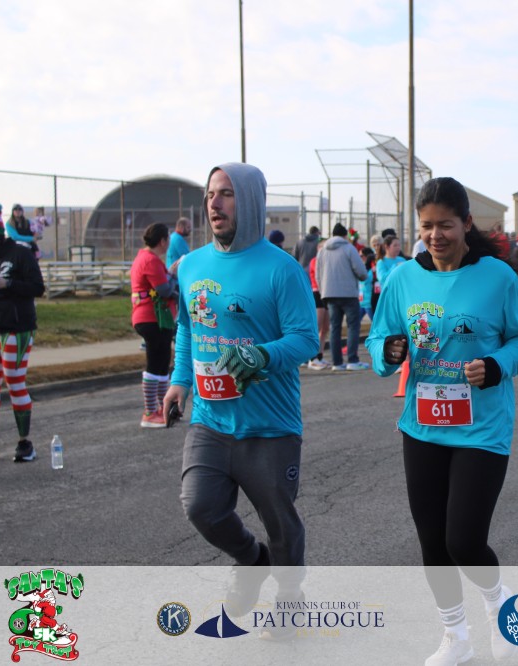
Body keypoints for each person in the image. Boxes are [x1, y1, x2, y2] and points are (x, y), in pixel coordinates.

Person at [364, 177, 518, 666]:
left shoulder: (497, 277)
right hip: (422, 427)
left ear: (466, 224)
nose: (434, 235)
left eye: (445, 225)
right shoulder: (402, 279)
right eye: (426, 226)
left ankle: (498, 604)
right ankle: (455, 636)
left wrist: (497, 366)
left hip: (482, 429)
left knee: (463, 540)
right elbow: (378, 339)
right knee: (432, 542)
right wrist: (388, 351)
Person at [162, 162, 318, 635]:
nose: (215, 203)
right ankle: (252, 560)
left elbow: (306, 339)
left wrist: (261, 356)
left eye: (226, 193)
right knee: (200, 507)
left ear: (249, 201)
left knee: (281, 525)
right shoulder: (191, 265)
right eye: (211, 194)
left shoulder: (282, 269)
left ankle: (289, 599)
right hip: (210, 421)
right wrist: (179, 381)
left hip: (270, 427)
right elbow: (188, 329)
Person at [0, 205, 44, 463]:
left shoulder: (20, 253)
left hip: (17, 327)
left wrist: (8, 283)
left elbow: (38, 287)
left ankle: (25, 443)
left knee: (14, 381)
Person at [130, 223, 178, 427]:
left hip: (155, 318)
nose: (169, 242)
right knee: (155, 364)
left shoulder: (146, 258)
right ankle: (150, 412)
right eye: (168, 238)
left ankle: (161, 408)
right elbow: (164, 290)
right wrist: (173, 276)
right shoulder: (150, 260)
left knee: (162, 363)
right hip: (152, 317)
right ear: (162, 241)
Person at [316, 223, 369, 371]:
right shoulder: (349, 248)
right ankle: (352, 360)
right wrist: (361, 276)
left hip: (329, 294)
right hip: (348, 294)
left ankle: (337, 363)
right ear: (345, 235)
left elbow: (318, 274)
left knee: (335, 328)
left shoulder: (322, 251)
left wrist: (323, 291)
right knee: (353, 326)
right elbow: (361, 272)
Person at [305, 238, 331, 370]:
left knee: (325, 328)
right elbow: (317, 276)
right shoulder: (315, 261)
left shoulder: (328, 261)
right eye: (322, 247)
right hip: (317, 293)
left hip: (326, 294)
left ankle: (319, 355)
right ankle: (311, 358)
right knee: (317, 326)